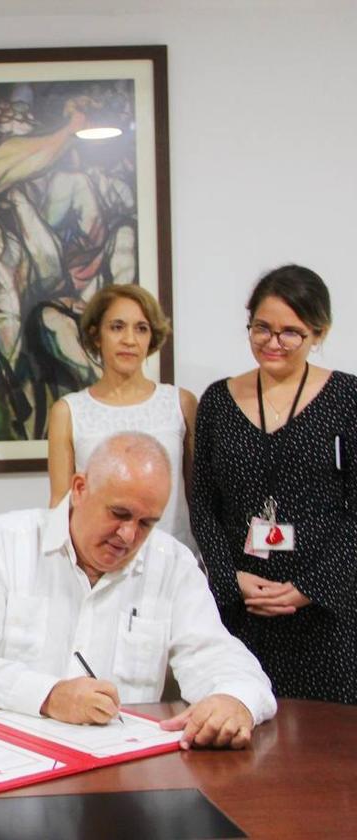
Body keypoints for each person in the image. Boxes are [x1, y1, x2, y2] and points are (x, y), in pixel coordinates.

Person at [0, 432, 276, 749]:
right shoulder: (5, 542)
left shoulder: (172, 564)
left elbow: (216, 656)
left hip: (118, 769)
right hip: (0, 757)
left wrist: (234, 699)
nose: (128, 536)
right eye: (119, 513)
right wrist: (48, 695)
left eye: (145, 523)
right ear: (80, 488)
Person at [190, 264, 356, 704]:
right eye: (261, 328)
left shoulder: (347, 399)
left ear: (318, 333)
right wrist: (230, 577)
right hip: (241, 609)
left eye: (290, 332)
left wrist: (311, 588)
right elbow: (203, 504)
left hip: (327, 611)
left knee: (329, 750)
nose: (273, 342)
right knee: (240, 738)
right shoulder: (218, 401)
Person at [47, 284, 198, 552]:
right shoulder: (68, 411)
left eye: (141, 328)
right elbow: (61, 506)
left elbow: (201, 497)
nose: (130, 339)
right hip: (100, 561)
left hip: (175, 560)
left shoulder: (181, 403)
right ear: (96, 335)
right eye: (117, 327)